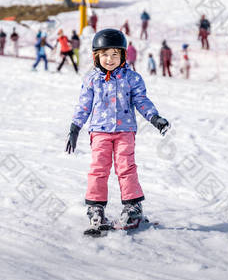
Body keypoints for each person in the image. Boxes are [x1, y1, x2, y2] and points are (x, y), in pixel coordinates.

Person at [64, 29, 170, 233]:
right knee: (99, 168)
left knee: (126, 167)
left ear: (123, 55)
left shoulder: (132, 78)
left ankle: (133, 206)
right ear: (96, 56)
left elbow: (141, 100)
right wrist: (75, 127)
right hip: (99, 132)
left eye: (115, 54)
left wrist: (154, 117)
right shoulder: (92, 79)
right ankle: (96, 207)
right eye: (104, 54)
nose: (109, 59)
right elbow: (84, 105)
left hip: (125, 131)